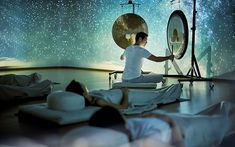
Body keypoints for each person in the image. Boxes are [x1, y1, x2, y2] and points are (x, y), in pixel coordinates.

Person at [88, 106, 185, 147]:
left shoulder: (151, 136)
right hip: (161, 119)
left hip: (175, 125)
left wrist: (172, 123)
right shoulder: (121, 125)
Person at [65, 80, 182, 110]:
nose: (84, 83)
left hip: (126, 91)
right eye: (82, 84)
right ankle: (177, 89)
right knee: (158, 94)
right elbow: (123, 107)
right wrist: (125, 93)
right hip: (131, 96)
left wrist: (116, 89)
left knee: (159, 91)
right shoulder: (98, 102)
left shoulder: (92, 93)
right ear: (83, 92)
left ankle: (174, 87)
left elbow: (108, 93)